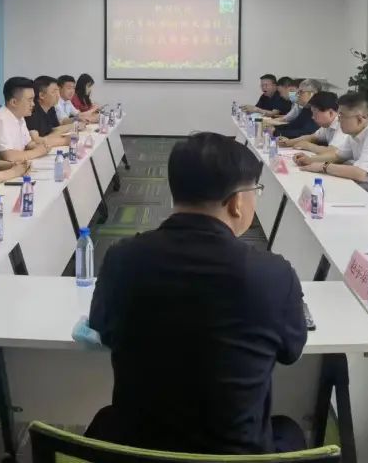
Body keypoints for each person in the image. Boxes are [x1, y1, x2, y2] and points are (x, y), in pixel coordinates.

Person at [87, 132, 307, 454]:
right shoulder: (274, 274)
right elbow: (291, 351)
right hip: (237, 456)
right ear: (237, 202)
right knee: (288, 430)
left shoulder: (121, 258)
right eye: (255, 192)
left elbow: (103, 330)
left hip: (137, 450)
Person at [0, 77, 50, 162]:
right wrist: (38, 152)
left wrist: (40, 145)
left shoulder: (19, 116)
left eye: (33, 99)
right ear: (14, 102)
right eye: (29, 100)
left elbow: (27, 144)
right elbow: (9, 156)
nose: (33, 104)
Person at [285, 91, 350, 166]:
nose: (313, 117)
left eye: (315, 113)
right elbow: (312, 137)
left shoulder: (342, 125)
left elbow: (333, 152)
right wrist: (288, 142)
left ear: (330, 113)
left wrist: (308, 146)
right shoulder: (327, 125)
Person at [25, 75, 72, 147]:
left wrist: (74, 126)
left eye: (58, 91)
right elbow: (38, 140)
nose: (58, 95)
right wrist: (63, 139)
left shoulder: (51, 108)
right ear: (42, 95)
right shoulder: (31, 111)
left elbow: (54, 129)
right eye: (54, 92)